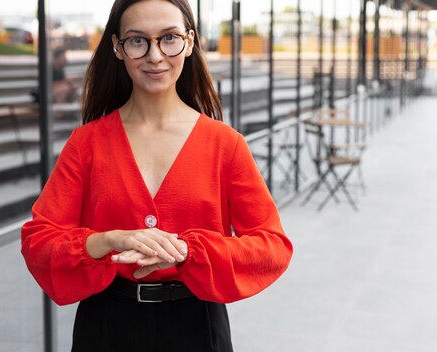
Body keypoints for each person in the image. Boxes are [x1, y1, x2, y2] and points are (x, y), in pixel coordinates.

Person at [21, 1, 293, 351]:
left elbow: (272, 247)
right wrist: (108, 241)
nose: (155, 55)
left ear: (190, 42)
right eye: (138, 41)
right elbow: (39, 242)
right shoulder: (86, 144)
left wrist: (187, 251)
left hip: (197, 325)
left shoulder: (225, 144)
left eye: (169, 38)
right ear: (118, 48)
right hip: (106, 325)